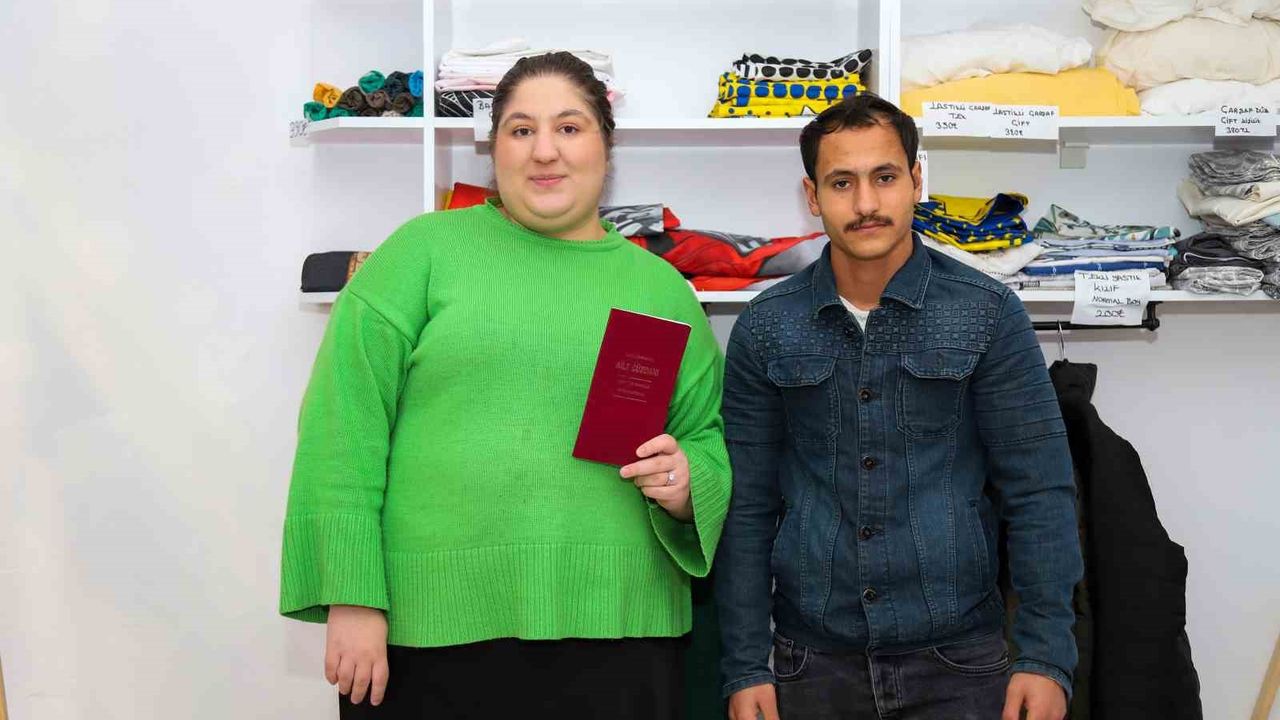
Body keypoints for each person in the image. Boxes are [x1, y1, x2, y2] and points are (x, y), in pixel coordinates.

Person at [279, 51, 731, 720]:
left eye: (569, 127)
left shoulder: (662, 291)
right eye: (521, 130)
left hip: (620, 636)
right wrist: (351, 597)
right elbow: (342, 428)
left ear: (606, 146)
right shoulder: (420, 254)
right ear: (493, 148)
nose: (545, 151)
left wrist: (689, 484)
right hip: (424, 633)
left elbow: (705, 438)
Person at [715, 94, 1083, 720]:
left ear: (916, 180)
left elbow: (1040, 491)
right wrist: (746, 665)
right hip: (810, 663)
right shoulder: (766, 325)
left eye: (884, 177)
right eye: (841, 182)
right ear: (812, 196)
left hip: (962, 663)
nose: (865, 203)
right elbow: (745, 506)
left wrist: (1045, 656)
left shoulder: (987, 314)